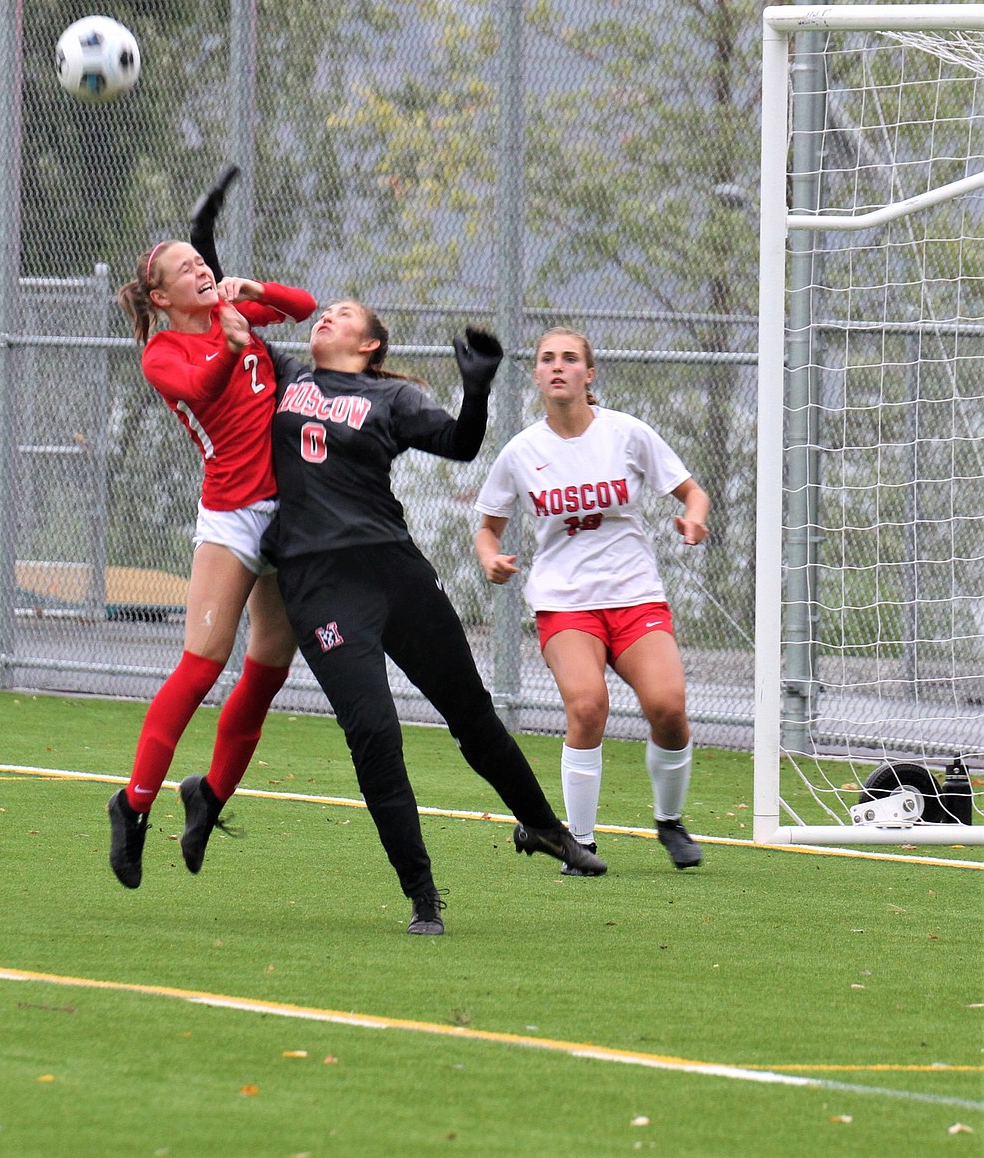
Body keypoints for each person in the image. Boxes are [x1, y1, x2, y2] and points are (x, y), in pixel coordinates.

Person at [263, 300, 604, 937]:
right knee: (375, 734)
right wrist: (207, 241)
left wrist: (476, 388)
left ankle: (550, 830)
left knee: (470, 714)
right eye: (325, 311)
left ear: (369, 346)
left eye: (343, 314)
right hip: (320, 585)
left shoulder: (388, 398)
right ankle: (423, 896)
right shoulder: (286, 376)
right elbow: (217, 305)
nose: (327, 317)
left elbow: (460, 444)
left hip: (394, 572)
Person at [106, 232, 316, 889]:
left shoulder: (236, 315)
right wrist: (228, 345)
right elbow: (199, 386)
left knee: (268, 673)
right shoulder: (162, 351)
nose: (202, 271)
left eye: (203, 262)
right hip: (232, 517)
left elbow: (304, 306)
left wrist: (252, 293)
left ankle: (210, 795)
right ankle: (132, 805)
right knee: (201, 665)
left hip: (286, 512)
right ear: (162, 297)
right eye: (185, 269)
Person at [474, 326, 709, 872]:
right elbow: (488, 527)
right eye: (547, 359)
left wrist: (693, 519)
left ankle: (669, 822)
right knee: (586, 706)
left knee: (669, 709)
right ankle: (579, 843)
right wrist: (490, 556)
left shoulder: (626, 434)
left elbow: (692, 492)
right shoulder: (521, 452)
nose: (558, 366)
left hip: (634, 597)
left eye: (570, 358)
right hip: (565, 603)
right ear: (535, 375)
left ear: (589, 373)